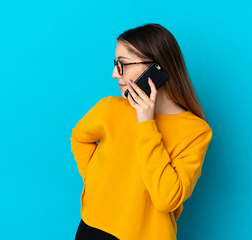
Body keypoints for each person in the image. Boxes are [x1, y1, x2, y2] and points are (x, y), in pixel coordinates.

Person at [71, 23, 213, 240]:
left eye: (123, 64)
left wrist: (146, 123)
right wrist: (99, 181)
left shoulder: (196, 131)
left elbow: (166, 199)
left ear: (157, 68)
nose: (114, 73)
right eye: (115, 63)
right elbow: (79, 139)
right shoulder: (110, 109)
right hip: (93, 229)